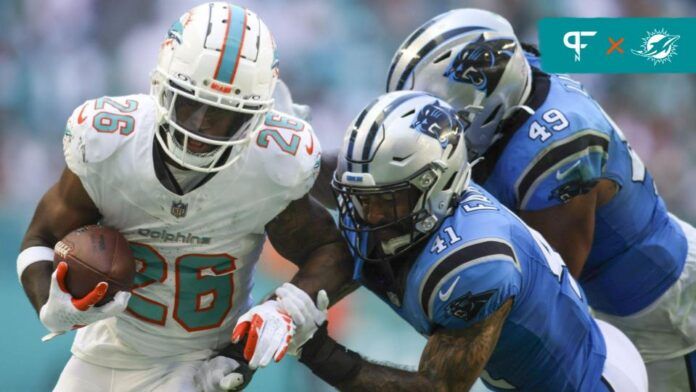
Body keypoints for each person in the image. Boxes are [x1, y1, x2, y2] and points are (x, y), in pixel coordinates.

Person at [16, 3, 351, 391]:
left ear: (256, 116)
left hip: (202, 365)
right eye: (191, 103)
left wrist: (284, 310)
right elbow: (40, 238)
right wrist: (50, 305)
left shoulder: (273, 163)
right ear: (160, 86)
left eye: (224, 115)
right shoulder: (107, 142)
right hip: (107, 351)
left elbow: (331, 249)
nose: (201, 128)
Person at [235, 92, 648, 391]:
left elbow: (436, 389)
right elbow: (329, 182)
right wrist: (280, 155)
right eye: (360, 199)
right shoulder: (397, 200)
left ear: (437, 187)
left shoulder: (473, 266)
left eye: (386, 203)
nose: (367, 216)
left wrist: (318, 351)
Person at [387, 9, 696, 390]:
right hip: (615, 311)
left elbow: (553, 284)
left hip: (657, 310)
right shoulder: (518, 75)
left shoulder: (555, 147)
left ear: (486, 95)